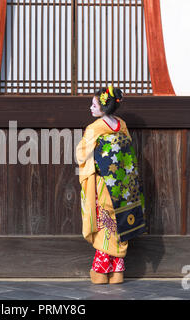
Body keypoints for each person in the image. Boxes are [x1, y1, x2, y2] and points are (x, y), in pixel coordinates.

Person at [76, 85, 146, 284]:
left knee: (105, 222)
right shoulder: (121, 125)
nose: (90, 107)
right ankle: (117, 272)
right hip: (123, 183)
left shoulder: (95, 128)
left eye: (94, 104)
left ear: (103, 108)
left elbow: (82, 153)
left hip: (104, 182)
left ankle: (100, 271)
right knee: (120, 220)